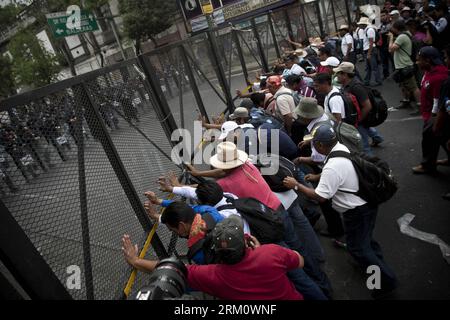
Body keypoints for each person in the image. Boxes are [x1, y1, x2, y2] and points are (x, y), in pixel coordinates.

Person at [282, 123, 398, 298]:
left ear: (320, 145)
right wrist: (317, 176)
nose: (312, 146)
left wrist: (296, 185)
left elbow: (320, 197)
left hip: (357, 212)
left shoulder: (332, 166)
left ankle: (383, 282)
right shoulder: (339, 148)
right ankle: (377, 262)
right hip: (366, 205)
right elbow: (339, 173)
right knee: (366, 241)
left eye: (314, 143)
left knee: (358, 249)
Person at [122, 216, 305, 300]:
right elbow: (299, 261)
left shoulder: (210, 274)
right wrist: (260, 251)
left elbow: (170, 270)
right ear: (245, 240)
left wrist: (136, 261)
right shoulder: (271, 253)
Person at [412, 46, 449, 174]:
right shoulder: (428, 71)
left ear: (428, 60)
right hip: (429, 114)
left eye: (419, 60)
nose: (417, 62)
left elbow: (438, 101)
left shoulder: (439, 77)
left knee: (430, 140)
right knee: (443, 139)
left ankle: (427, 165)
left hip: (435, 115)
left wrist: (432, 119)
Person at [334, 62, 384, 154]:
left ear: (345, 75)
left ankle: (372, 164)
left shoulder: (356, 87)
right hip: (359, 117)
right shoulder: (347, 84)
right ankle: (378, 138)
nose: (336, 75)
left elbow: (367, 106)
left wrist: (358, 120)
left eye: (338, 73)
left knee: (364, 146)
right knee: (367, 128)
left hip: (361, 118)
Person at [388, 20, 422, 114]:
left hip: (405, 65)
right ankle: (406, 101)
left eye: (393, 27)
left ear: (396, 28)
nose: (391, 29)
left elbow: (391, 49)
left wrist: (391, 38)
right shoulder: (404, 34)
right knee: (403, 85)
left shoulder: (402, 36)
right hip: (401, 65)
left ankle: (420, 106)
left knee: (413, 86)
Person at [358, 17, 383, 87]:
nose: (359, 26)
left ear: (363, 24)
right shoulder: (367, 30)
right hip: (369, 50)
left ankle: (378, 81)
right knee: (368, 67)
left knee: (373, 67)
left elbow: (371, 42)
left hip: (370, 50)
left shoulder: (369, 30)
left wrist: (369, 53)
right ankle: (366, 81)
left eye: (360, 25)